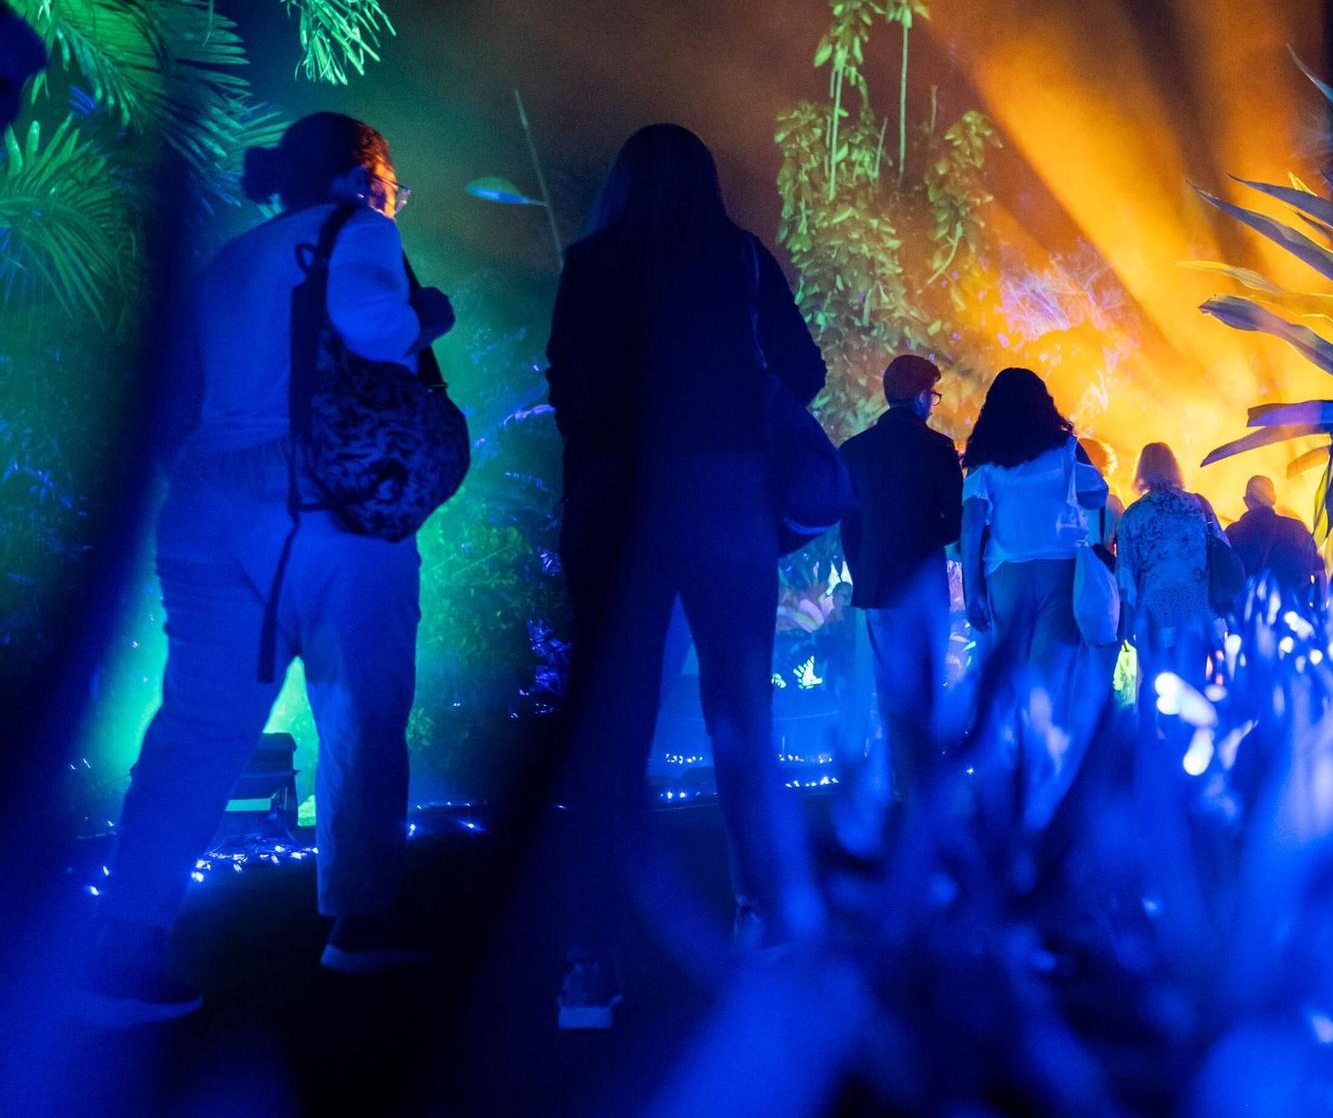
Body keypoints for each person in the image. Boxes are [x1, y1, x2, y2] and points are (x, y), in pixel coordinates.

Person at [83, 114, 455, 1023]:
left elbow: (176, 405)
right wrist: (429, 312)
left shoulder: (226, 262)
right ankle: (360, 929)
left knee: (194, 732)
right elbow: (373, 329)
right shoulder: (360, 228)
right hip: (323, 505)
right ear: (367, 177)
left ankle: (123, 954)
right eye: (390, 187)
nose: (391, 202)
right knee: (362, 711)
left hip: (207, 508)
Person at [546, 123, 824, 1029]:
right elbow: (806, 369)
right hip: (722, 493)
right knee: (742, 711)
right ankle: (765, 924)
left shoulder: (591, 262)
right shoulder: (739, 257)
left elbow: (566, 384)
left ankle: (589, 961)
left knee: (612, 727)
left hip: (616, 499)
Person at [959, 369, 1109, 829]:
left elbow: (971, 528)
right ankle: (1052, 789)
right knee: (1053, 683)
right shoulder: (1066, 448)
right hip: (1062, 572)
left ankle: (1009, 783)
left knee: (1011, 678)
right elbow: (1097, 493)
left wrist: (972, 591)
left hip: (1005, 573)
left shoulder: (984, 459)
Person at [837, 355, 963, 818]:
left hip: (877, 584)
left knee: (889, 686)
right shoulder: (938, 448)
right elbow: (955, 523)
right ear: (919, 395)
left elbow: (847, 525)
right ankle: (926, 785)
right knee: (927, 682)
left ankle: (899, 786)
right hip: (923, 585)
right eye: (934, 394)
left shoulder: (854, 450)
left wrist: (863, 568)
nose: (935, 402)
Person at [1115, 443, 1230, 739]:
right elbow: (1223, 549)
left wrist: (1127, 620)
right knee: (1193, 679)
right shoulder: (1198, 506)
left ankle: (1152, 748)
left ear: (1142, 471)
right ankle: (1192, 745)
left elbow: (1126, 573)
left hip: (1156, 615)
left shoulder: (1133, 516)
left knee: (1154, 682)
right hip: (1198, 611)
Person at [1225, 475, 1325, 606]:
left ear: (1246, 500)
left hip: (1252, 619)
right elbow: (1320, 573)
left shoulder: (1232, 533)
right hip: (1297, 615)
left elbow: (1223, 580)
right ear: (1274, 498)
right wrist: (1319, 609)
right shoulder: (1297, 529)